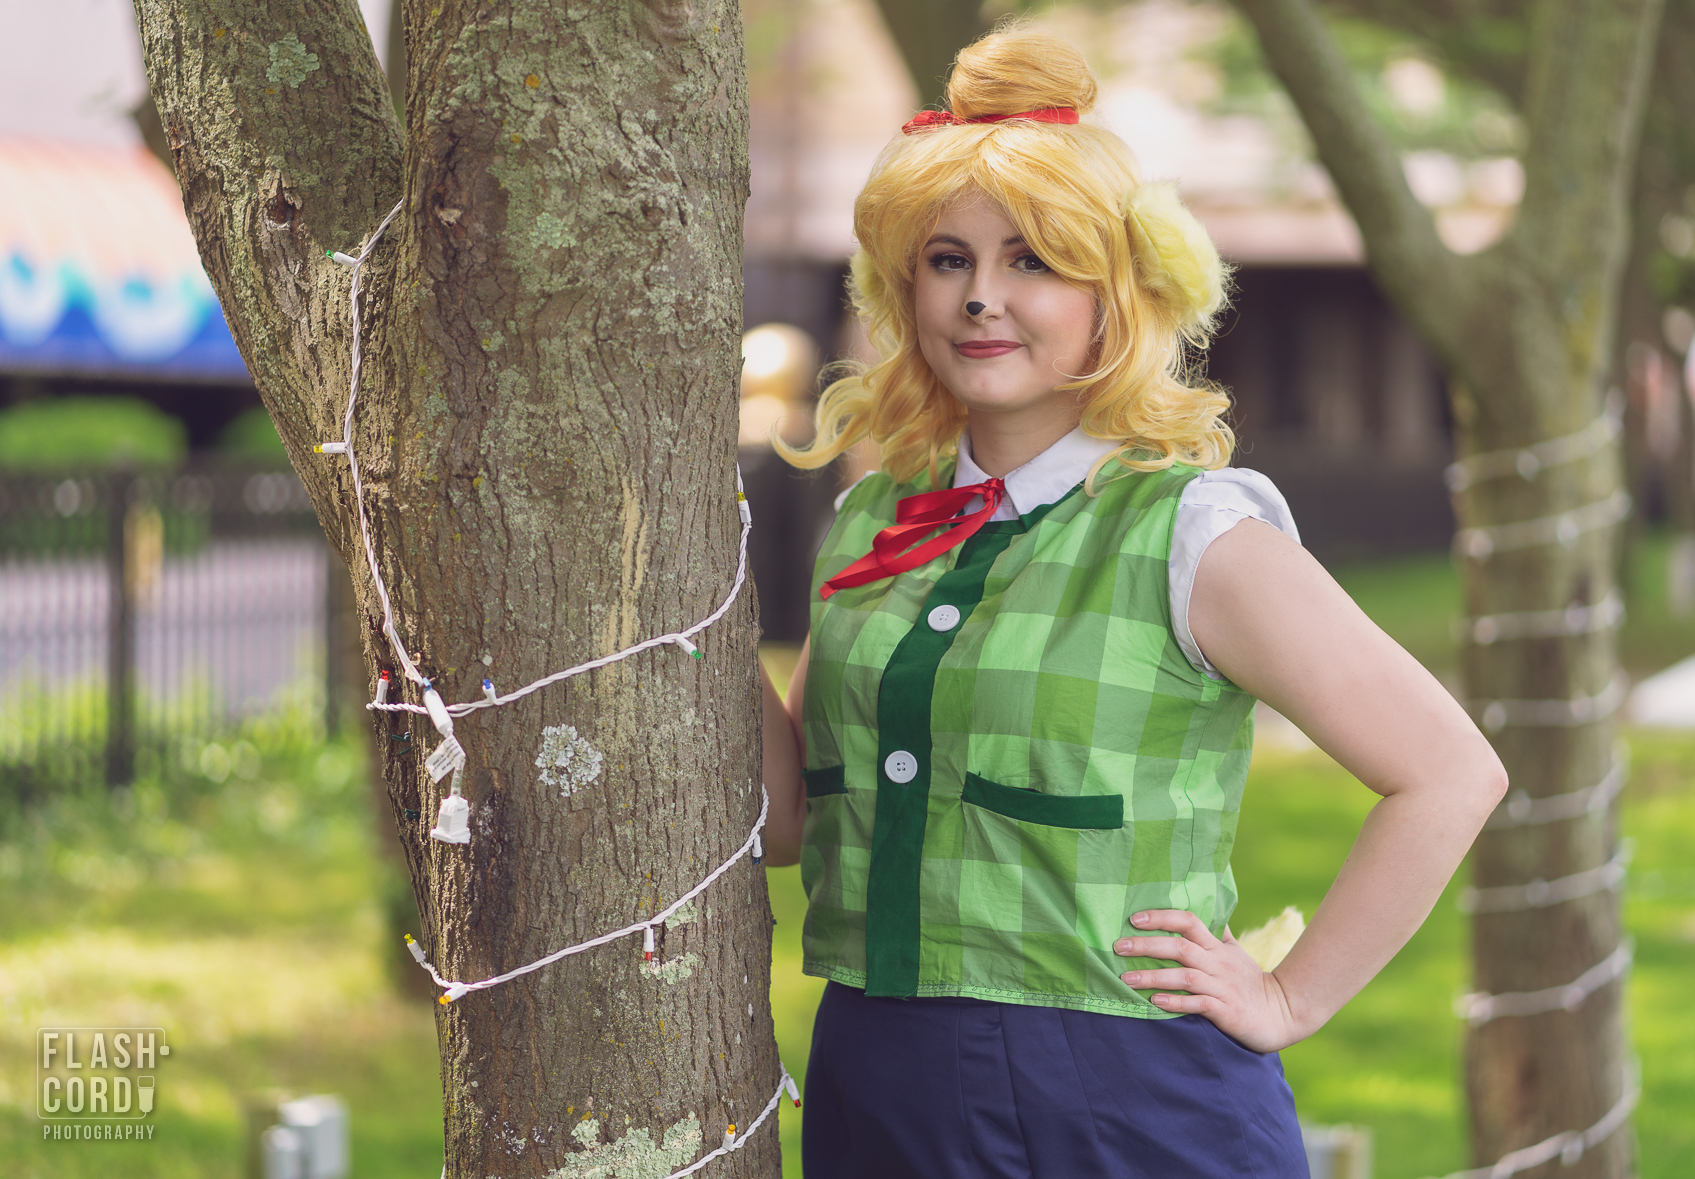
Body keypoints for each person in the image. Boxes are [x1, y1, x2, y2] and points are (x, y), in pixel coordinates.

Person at [756, 24, 1507, 1179]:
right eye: (948, 259)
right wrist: (697, 608)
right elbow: (791, 823)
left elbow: (1451, 773)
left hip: (1124, 1100)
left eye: (1033, 262)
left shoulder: (1192, 531)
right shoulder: (873, 522)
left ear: (1117, 295)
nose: (982, 298)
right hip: (879, 1080)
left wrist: (1291, 997)